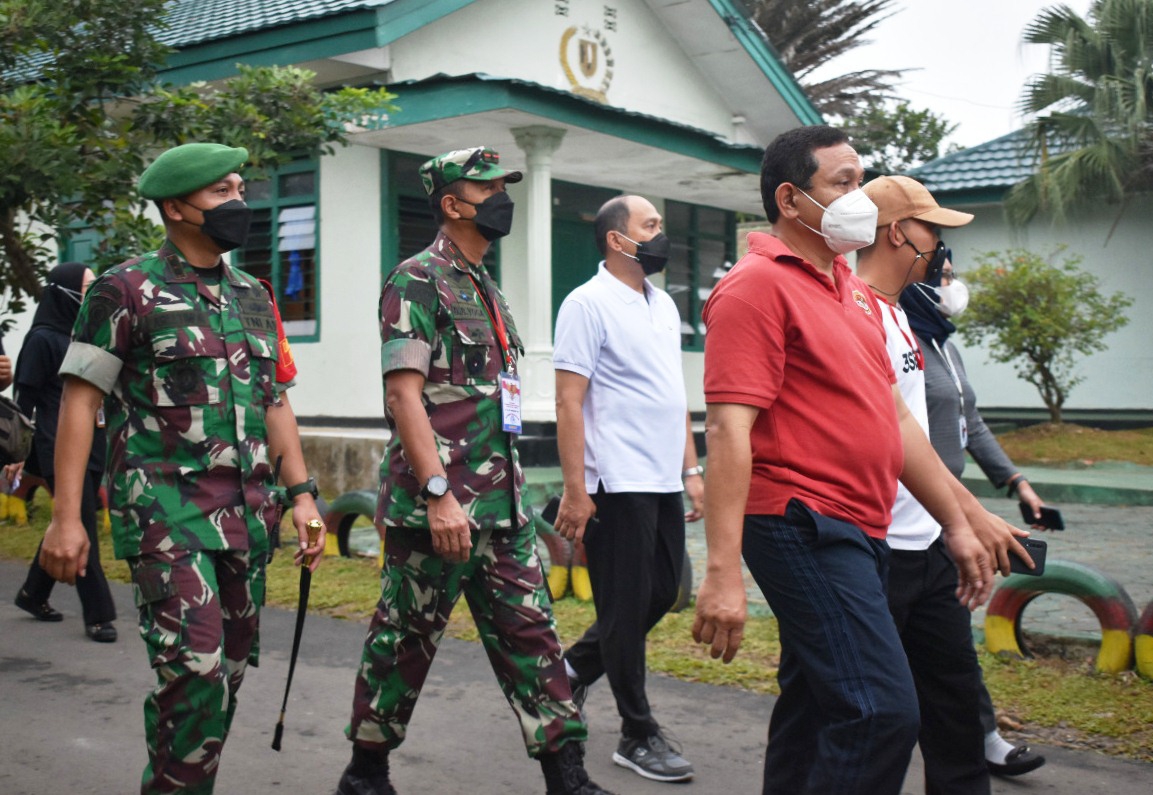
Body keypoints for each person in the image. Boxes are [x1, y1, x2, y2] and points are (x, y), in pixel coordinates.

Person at [691, 125, 1031, 795]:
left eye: (861, 179)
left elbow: (896, 419)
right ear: (791, 200)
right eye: (843, 184)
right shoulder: (756, 286)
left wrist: (957, 523)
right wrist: (722, 571)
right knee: (881, 710)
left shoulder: (846, 294)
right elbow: (730, 430)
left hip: (859, 524)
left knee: (817, 705)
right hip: (799, 520)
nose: (861, 199)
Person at [39, 142, 326, 794]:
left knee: (223, 677)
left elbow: (275, 398)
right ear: (176, 206)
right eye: (222, 191)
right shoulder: (125, 289)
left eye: (238, 187)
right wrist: (66, 516)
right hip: (166, 516)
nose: (239, 202)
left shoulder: (253, 294)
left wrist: (304, 494)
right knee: (193, 673)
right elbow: (80, 400)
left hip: (249, 518)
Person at [336, 146, 612, 795]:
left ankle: (566, 775)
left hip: (500, 507)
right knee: (404, 641)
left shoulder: (487, 286)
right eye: (484, 188)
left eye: (502, 185)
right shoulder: (417, 279)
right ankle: (365, 771)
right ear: (451, 204)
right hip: (438, 508)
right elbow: (403, 395)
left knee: (534, 634)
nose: (498, 197)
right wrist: (437, 492)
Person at [552, 195, 703, 784]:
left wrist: (691, 473)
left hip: (662, 476)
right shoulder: (586, 304)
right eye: (652, 225)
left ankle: (567, 672)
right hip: (615, 481)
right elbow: (570, 400)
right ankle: (637, 733)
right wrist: (575, 489)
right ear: (619, 239)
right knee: (621, 605)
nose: (662, 233)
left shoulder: (662, 303)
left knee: (661, 592)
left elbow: (674, 395)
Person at [858, 174, 993, 793]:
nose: (941, 247)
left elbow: (923, 443)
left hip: (928, 546)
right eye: (932, 231)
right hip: (872, 552)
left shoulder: (904, 319)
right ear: (896, 234)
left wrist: (962, 521)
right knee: (863, 720)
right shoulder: (855, 315)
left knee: (957, 712)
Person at [900, 253, 1049, 778]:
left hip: (949, 510)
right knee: (898, 664)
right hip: (911, 512)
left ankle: (978, 738)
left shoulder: (944, 345)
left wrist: (1017, 483)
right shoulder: (900, 340)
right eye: (941, 278)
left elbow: (973, 425)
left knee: (950, 647)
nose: (952, 287)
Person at [11, 262, 117, 643]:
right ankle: (99, 615)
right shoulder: (43, 339)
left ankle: (32, 593)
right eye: (86, 287)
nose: (92, 294)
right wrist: (17, 454)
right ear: (64, 292)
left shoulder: (85, 337)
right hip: (57, 447)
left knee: (67, 518)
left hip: (94, 446)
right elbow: (24, 399)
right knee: (83, 526)